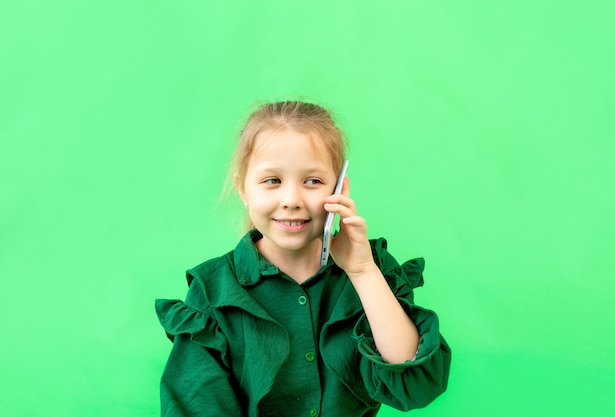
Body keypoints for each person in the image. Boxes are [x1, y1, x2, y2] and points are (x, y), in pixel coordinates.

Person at [155, 100, 451, 417]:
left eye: (313, 181)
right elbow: (196, 405)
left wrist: (363, 273)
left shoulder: (371, 269)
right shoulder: (213, 290)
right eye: (272, 181)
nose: (292, 200)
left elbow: (414, 386)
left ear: (339, 187)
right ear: (243, 188)